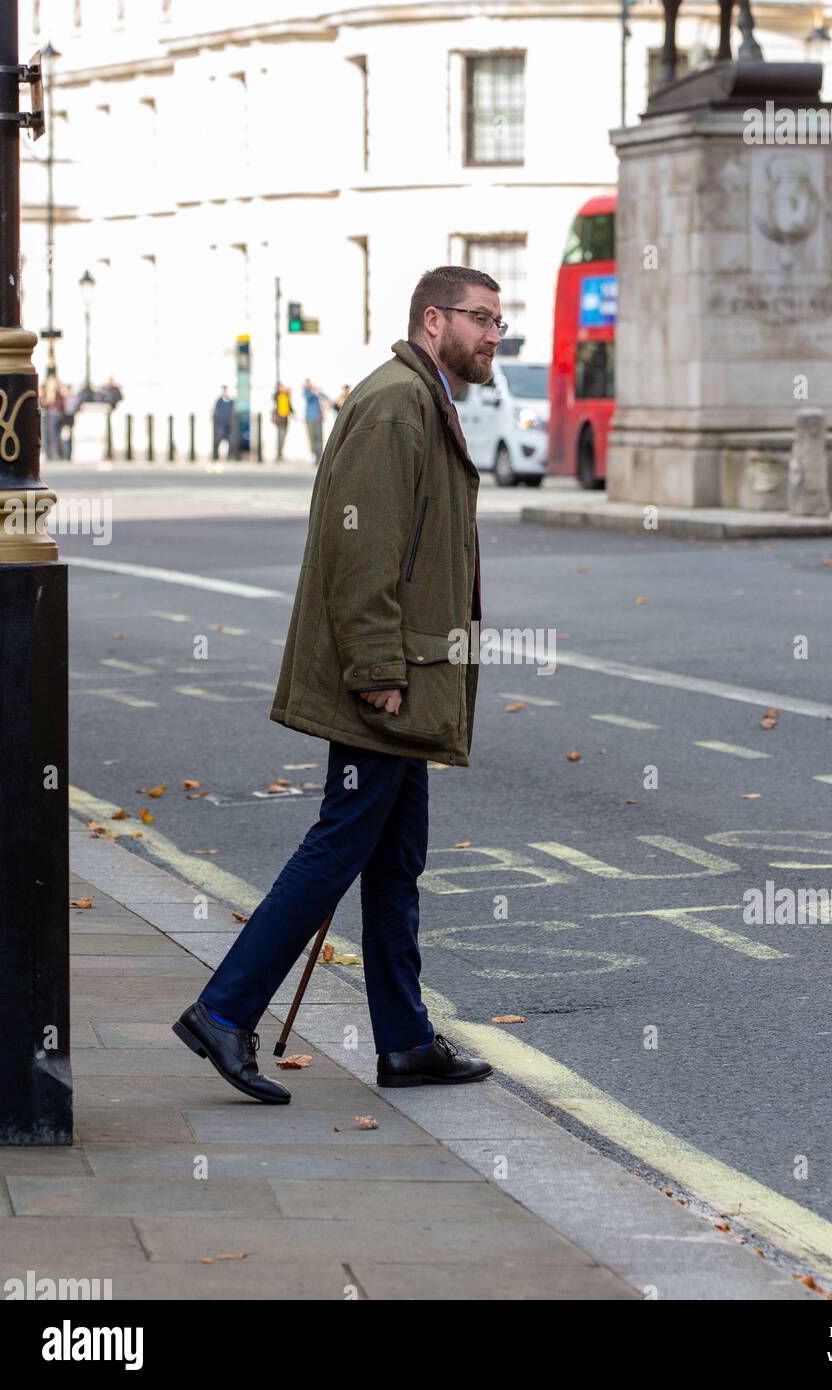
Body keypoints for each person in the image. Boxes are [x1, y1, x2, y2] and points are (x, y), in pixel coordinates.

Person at [173, 265, 502, 1099]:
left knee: (396, 860)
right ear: (434, 320)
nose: (495, 334)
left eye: (501, 321)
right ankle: (224, 1009)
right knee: (337, 849)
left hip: (409, 676)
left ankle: (403, 1041)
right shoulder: (396, 404)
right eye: (482, 319)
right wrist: (376, 671)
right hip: (386, 682)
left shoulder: (421, 398)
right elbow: (362, 550)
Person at [301, 378, 325, 463]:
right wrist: (313, 389)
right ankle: (315, 456)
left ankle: (320, 456)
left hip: (317, 417)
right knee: (313, 438)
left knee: (319, 437)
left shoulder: (315, 391)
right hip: (310, 418)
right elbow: (309, 397)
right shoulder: (307, 392)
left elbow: (323, 396)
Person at [212, 385, 238, 461]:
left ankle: (229, 457)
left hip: (229, 425)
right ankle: (217, 456)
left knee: (230, 441)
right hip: (221, 424)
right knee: (219, 440)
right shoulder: (219, 401)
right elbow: (216, 412)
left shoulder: (231, 402)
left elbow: (234, 413)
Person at [271, 381, 293, 462]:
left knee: (283, 438)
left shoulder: (286, 395)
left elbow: (289, 406)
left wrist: (293, 413)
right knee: (280, 437)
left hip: (285, 419)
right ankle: (278, 455)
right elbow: (274, 396)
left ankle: (280, 454)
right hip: (279, 419)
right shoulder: (277, 395)